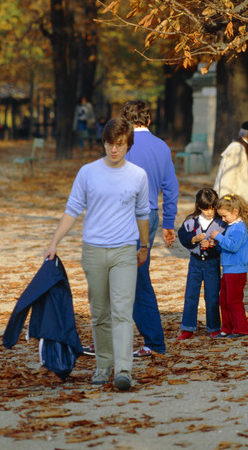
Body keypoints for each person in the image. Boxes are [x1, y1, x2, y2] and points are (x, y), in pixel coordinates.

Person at [44, 116, 150, 392]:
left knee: (122, 312)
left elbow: (142, 213)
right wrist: (55, 240)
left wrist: (144, 245)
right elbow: (72, 209)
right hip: (93, 251)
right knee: (100, 312)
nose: (114, 149)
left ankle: (124, 369)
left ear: (128, 145)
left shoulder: (138, 175)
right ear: (102, 143)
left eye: (119, 144)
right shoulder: (88, 172)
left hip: (125, 250)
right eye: (109, 144)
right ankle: (104, 364)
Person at [122, 100, 178, 357]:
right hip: (152, 213)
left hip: (129, 215)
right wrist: (168, 223)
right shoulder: (162, 146)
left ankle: (154, 341)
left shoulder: (124, 145)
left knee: (134, 279)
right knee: (134, 275)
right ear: (149, 120)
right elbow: (171, 187)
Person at [214, 120, 248, 264]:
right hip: (234, 197)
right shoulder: (236, 148)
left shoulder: (243, 147)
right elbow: (227, 177)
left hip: (239, 197)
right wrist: (225, 201)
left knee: (242, 225)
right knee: (236, 226)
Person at [177, 187, 225, 339]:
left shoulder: (221, 223)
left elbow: (225, 242)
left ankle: (214, 327)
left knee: (212, 296)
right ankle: (187, 328)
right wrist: (193, 239)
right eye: (205, 209)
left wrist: (213, 245)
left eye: (212, 208)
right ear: (198, 206)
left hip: (212, 263)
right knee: (191, 295)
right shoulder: (191, 222)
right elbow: (182, 236)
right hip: (195, 263)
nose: (209, 212)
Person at [208, 193, 248, 337]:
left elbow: (233, 246)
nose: (223, 219)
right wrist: (216, 244)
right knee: (224, 300)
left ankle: (241, 329)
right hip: (228, 269)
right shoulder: (231, 226)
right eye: (221, 216)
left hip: (237, 270)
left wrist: (219, 237)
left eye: (224, 216)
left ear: (235, 212)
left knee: (234, 301)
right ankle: (227, 328)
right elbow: (227, 247)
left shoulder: (239, 227)